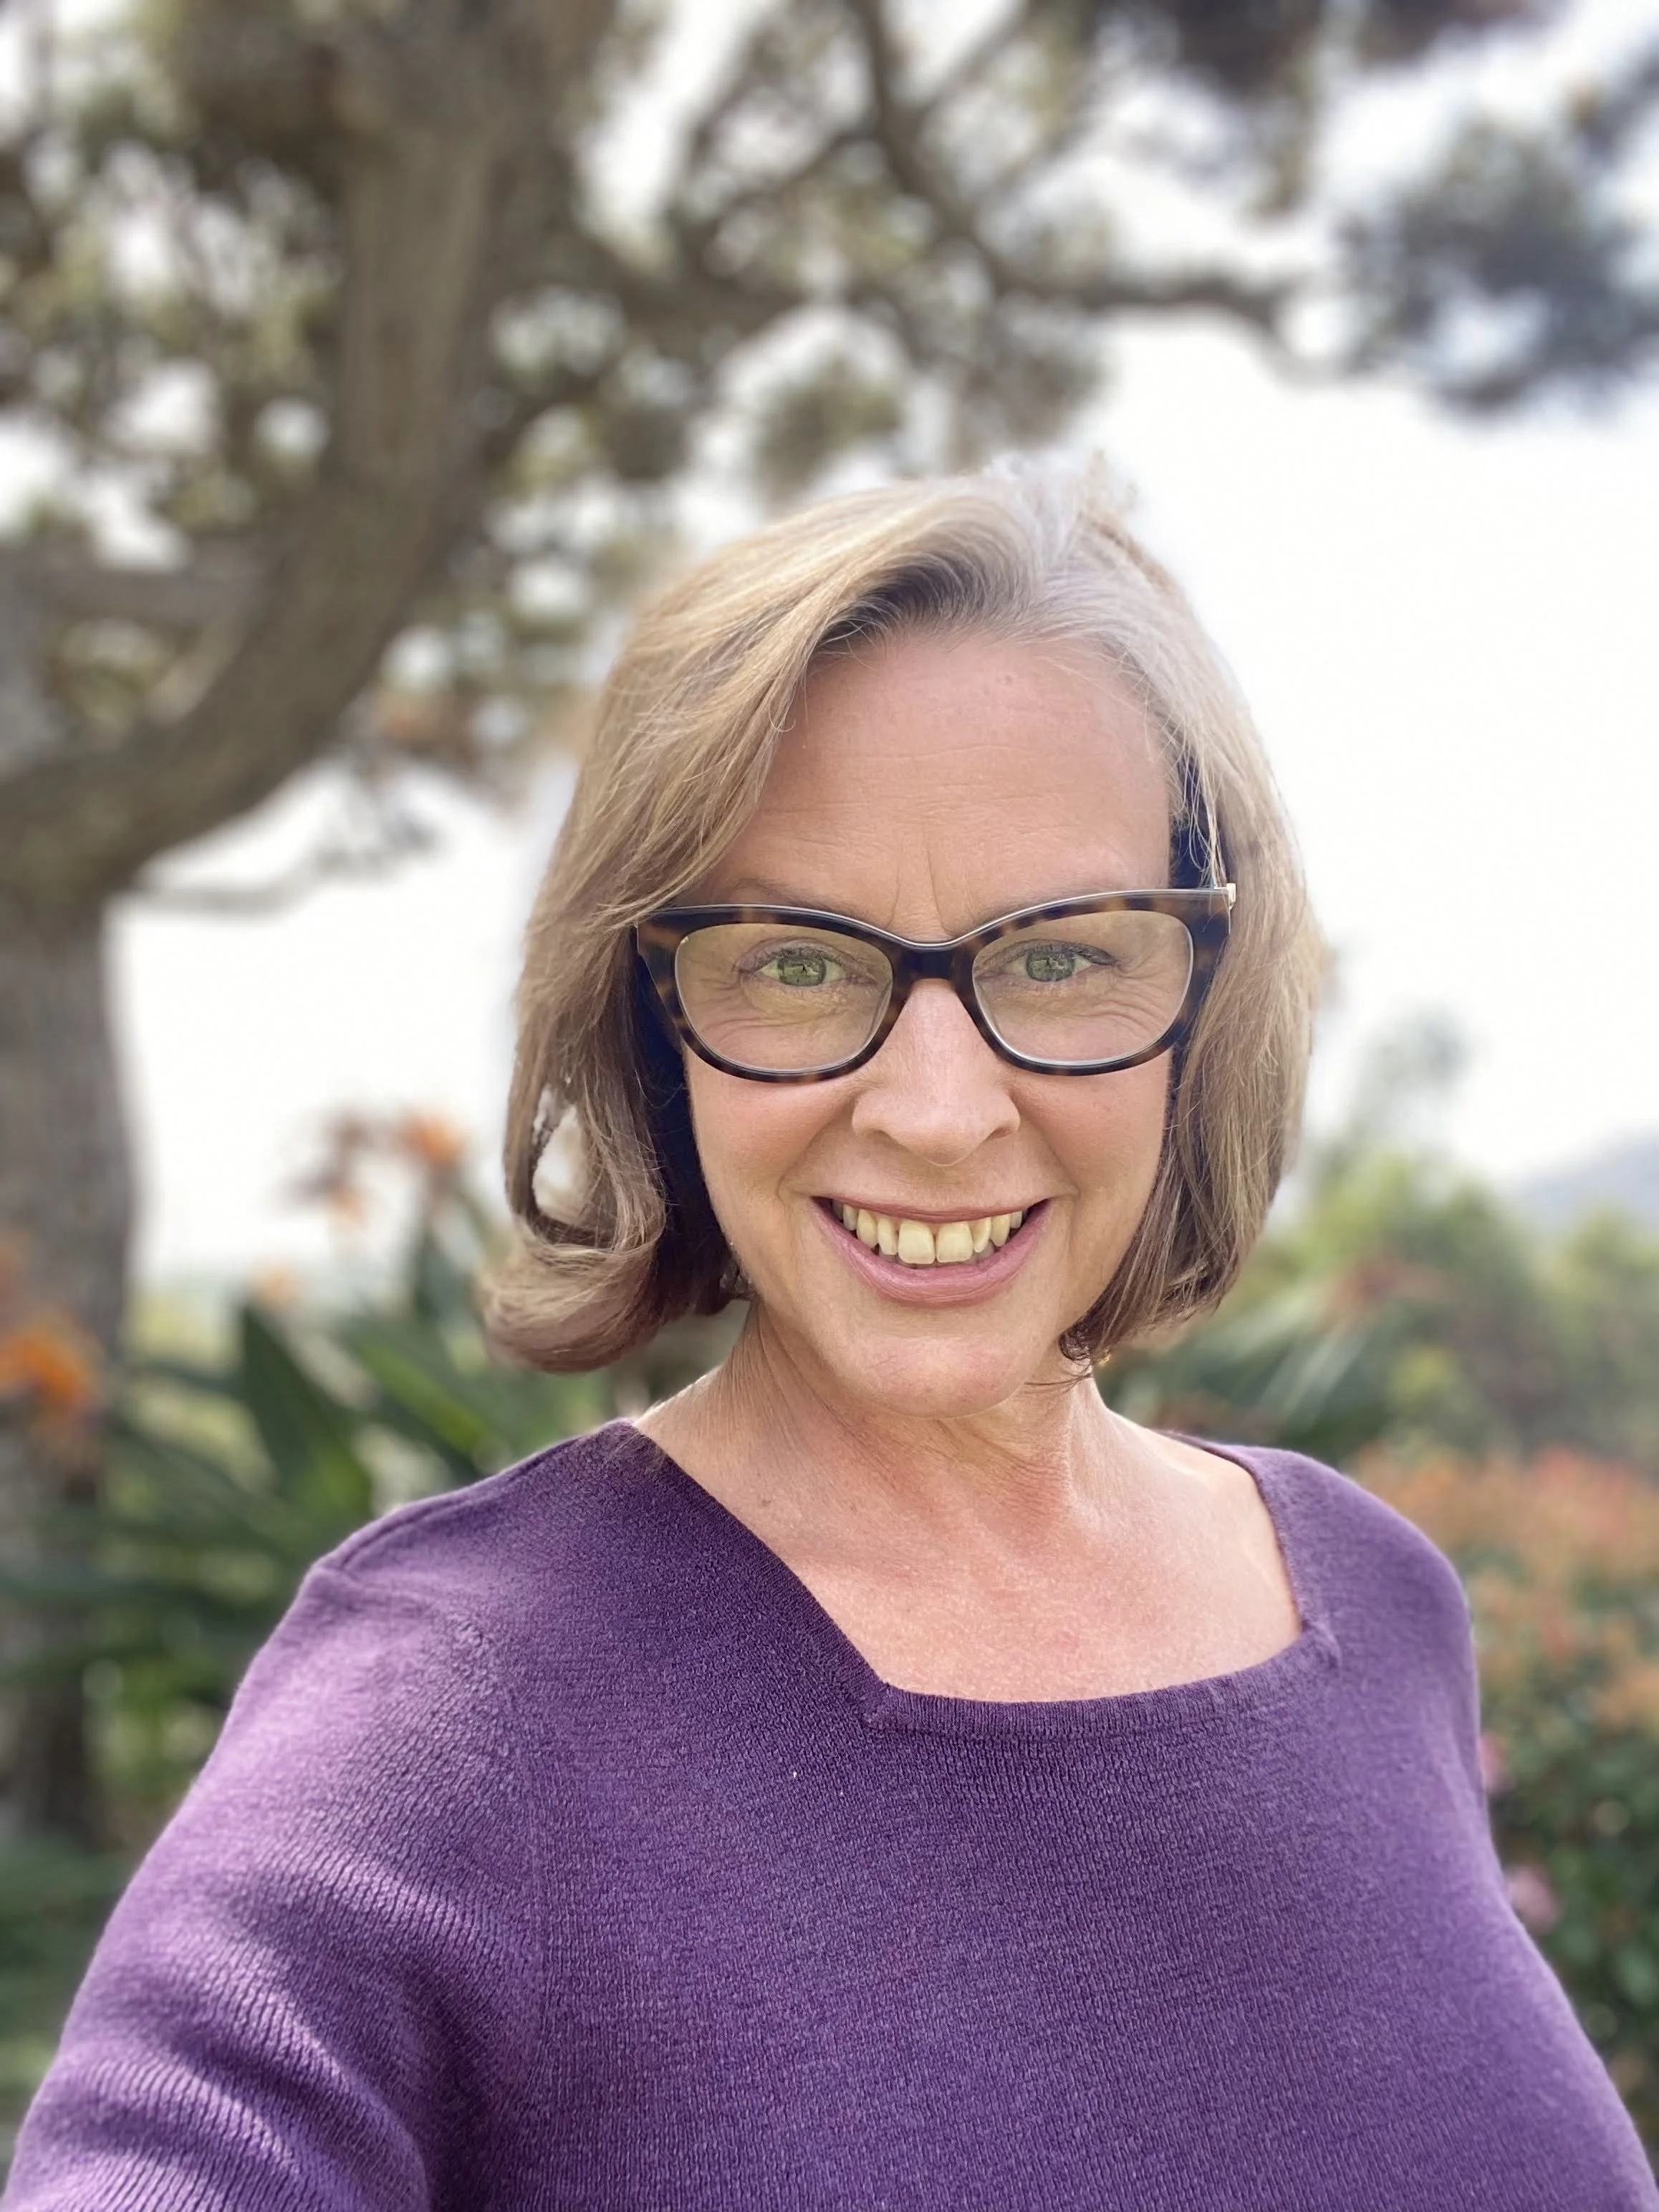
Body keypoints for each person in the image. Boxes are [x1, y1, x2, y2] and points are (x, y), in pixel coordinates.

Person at [6, 463, 1654, 2212]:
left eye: (1061, 956)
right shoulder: (448, 1705)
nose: (939, 1110)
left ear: (1205, 1000)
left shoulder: (1380, 1604)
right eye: (797, 962)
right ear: (653, 1020)